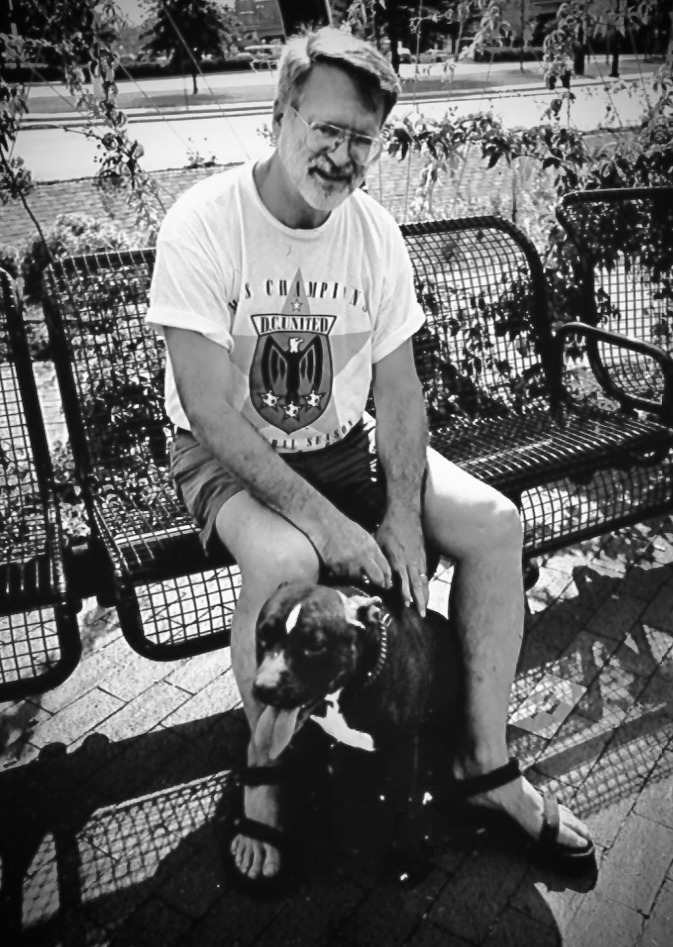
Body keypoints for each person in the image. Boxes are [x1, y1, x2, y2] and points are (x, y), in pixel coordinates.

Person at [147, 26, 594, 890]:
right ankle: (266, 780)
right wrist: (328, 525)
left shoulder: (374, 235)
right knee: (288, 555)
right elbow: (207, 408)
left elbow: (399, 393)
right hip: (224, 459)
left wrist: (395, 518)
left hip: (343, 452)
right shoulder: (204, 223)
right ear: (279, 114)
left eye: (362, 139)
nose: (342, 155)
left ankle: (482, 765)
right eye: (326, 128)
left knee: (496, 526)